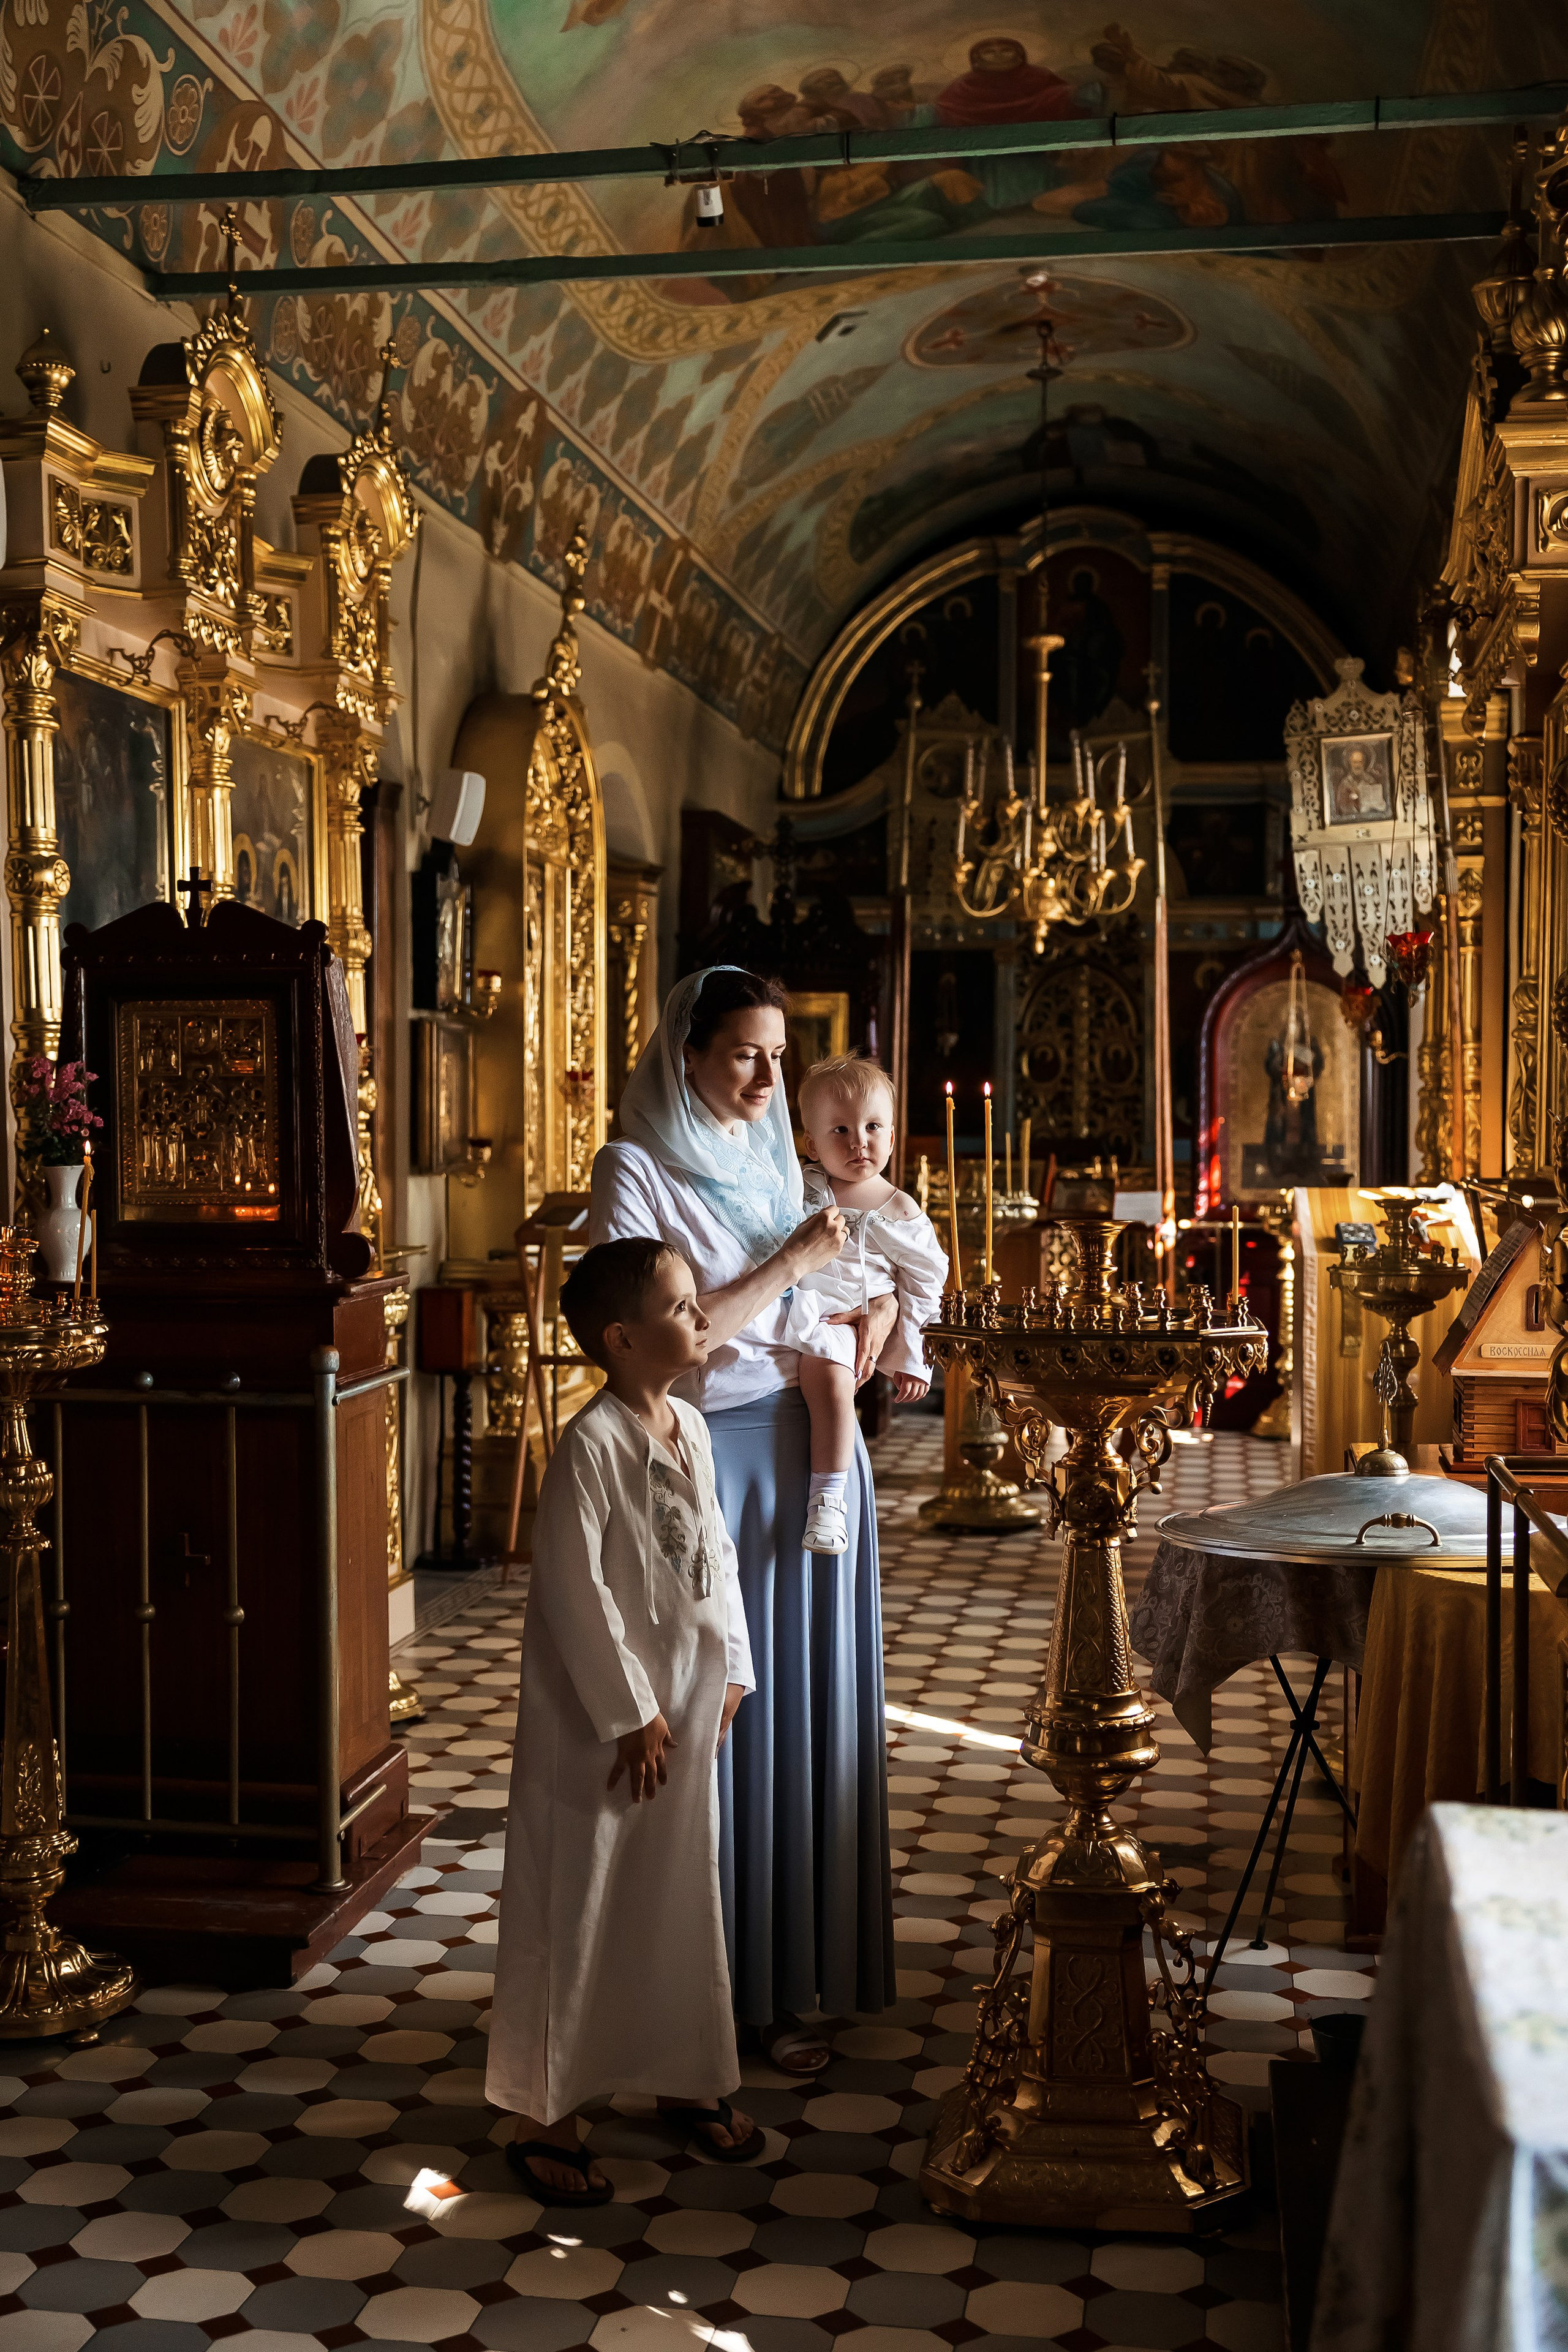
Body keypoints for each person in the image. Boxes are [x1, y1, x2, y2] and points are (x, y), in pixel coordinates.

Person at [590, 966, 897, 2076]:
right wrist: (794, 1265)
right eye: (744, 1055)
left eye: (778, 1054)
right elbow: (664, 1338)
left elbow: (858, 1273)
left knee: (808, 1719)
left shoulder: (781, 1155)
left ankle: (795, 1976)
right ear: (687, 1057)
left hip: (816, 1455)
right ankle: (702, 1989)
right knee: (714, 1722)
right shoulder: (634, 1169)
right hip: (708, 1466)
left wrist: (878, 1312)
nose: (769, 1075)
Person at [486, 1238, 760, 2203]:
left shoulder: (691, 1425)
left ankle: (685, 2077)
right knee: (585, 1901)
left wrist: (736, 1668)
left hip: (689, 1706)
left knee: (680, 1893)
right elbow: (574, 1588)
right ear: (623, 1339)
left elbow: (716, 1557)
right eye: (683, 1307)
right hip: (604, 1730)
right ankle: (543, 2112)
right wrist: (631, 1712)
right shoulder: (591, 1444)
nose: (699, 1316)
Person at [788, 1052, 948, 1553]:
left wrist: (917, 1358)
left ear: (893, 1137)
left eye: (873, 1126)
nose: (859, 1141)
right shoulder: (803, 1190)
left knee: (830, 1379)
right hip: (792, 1301)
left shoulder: (897, 1209)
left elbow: (926, 1280)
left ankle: (828, 1500)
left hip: (842, 1321)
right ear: (811, 1144)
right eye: (840, 1131)